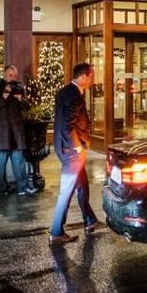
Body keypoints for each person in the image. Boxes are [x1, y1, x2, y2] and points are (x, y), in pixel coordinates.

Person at [49, 62, 99, 244]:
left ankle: (90, 221)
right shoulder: (74, 95)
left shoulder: (65, 91)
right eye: (91, 76)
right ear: (83, 77)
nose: (93, 80)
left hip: (64, 147)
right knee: (67, 191)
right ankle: (56, 232)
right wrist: (77, 147)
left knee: (82, 186)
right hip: (72, 151)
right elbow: (67, 124)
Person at [0, 65, 35, 195]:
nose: (13, 78)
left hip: (16, 130)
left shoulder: (19, 88)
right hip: (2, 131)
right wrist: (4, 97)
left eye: (15, 76)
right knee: (1, 162)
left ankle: (22, 188)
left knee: (18, 160)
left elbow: (26, 108)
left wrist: (21, 100)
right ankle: (3, 188)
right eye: (10, 75)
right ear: (4, 74)